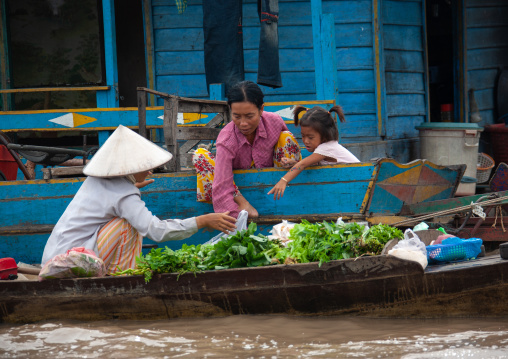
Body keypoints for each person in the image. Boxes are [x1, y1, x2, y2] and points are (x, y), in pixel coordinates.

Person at [41, 125, 237, 274]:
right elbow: (156, 230)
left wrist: (128, 190)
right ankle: (122, 278)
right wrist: (201, 221)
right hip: (69, 265)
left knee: (125, 220)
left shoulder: (96, 182)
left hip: (52, 259)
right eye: (146, 165)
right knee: (128, 225)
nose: (150, 170)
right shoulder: (124, 194)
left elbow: (111, 197)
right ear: (130, 168)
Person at [193, 80, 301, 218]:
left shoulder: (275, 121)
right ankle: (242, 202)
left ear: (261, 109)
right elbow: (222, 187)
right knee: (200, 155)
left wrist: (293, 163)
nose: (243, 123)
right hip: (237, 188)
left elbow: (288, 147)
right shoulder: (226, 139)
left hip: (277, 185)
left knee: (286, 136)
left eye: (249, 116)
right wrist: (234, 217)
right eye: (236, 116)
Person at [268, 105, 360, 200]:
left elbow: (303, 164)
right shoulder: (325, 148)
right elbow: (308, 165)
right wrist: (294, 163)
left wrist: (283, 180)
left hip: (357, 182)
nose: (306, 141)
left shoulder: (326, 148)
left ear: (324, 135)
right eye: (303, 136)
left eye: (310, 137)